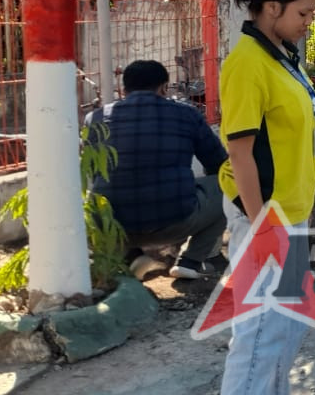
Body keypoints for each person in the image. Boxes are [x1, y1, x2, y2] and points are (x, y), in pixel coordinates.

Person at [217, 0, 315, 395]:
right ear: (272, 8)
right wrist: (262, 228)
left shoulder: (280, 57)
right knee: (260, 334)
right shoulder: (248, 63)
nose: (310, 23)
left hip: (292, 212)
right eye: (304, 13)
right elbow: (240, 153)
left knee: (286, 328)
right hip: (266, 218)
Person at [88, 60, 228, 280]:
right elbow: (218, 164)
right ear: (164, 87)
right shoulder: (187, 115)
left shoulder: (94, 119)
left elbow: (94, 172)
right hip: (176, 222)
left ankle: (131, 257)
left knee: (104, 193)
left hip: (113, 227)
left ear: (124, 90)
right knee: (228, 182)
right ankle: (191, 261)